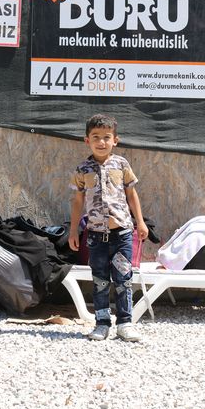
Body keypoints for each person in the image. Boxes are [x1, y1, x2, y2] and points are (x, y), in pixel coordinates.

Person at [68, 114, 149, 341]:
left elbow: (132, 195)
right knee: (100, 279)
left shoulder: (121, 164)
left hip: (122, 233)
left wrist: (140, 222)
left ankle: (125, 323)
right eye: (96, 137)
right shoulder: (83, 168)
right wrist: (74, 230)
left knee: (123, 278)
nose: (101, 142)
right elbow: (77, 201)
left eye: (106, 137)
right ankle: (102, 323)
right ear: (87, 140)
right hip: (95, 236)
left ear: (115, 140)